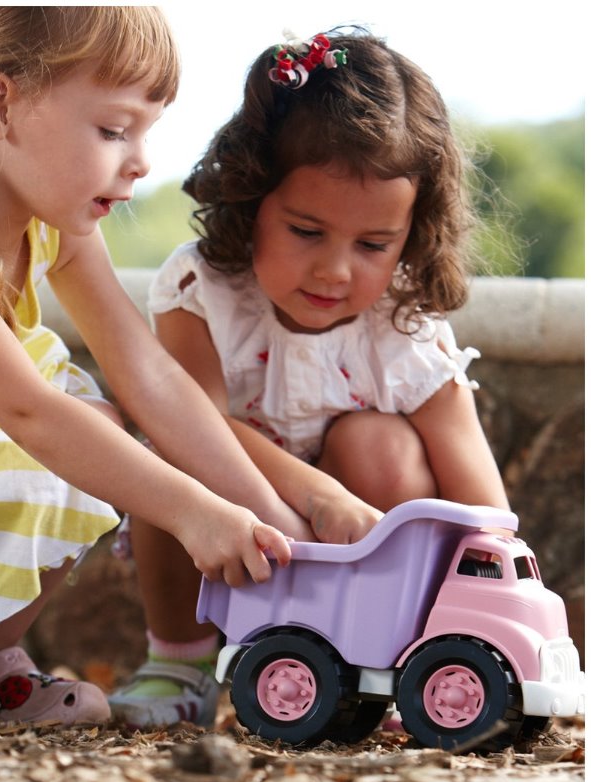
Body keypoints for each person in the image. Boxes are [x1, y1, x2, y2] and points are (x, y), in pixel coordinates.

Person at [0, 5, 322, 725]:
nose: (139, 162)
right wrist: (191, 514)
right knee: (66, 440)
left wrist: (268, 516)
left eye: (146, 132)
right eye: (112, 130)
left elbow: (149, 373)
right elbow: (27, 413)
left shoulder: (49, 220)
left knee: (96, 427)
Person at [109, 28, 510, 730]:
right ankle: (179, 661)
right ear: (249, 195)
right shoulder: (202, 290)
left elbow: (481, 503)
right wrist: (314, 497)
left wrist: (500, 625)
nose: (334, 270)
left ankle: (379, 663)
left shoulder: (403, 327)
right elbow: (187, 420)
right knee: (167, 452)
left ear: (412, 235)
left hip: (364, 577)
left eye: (372, 245)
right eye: (304, 231)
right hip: (227, 533)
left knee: (380, 445)